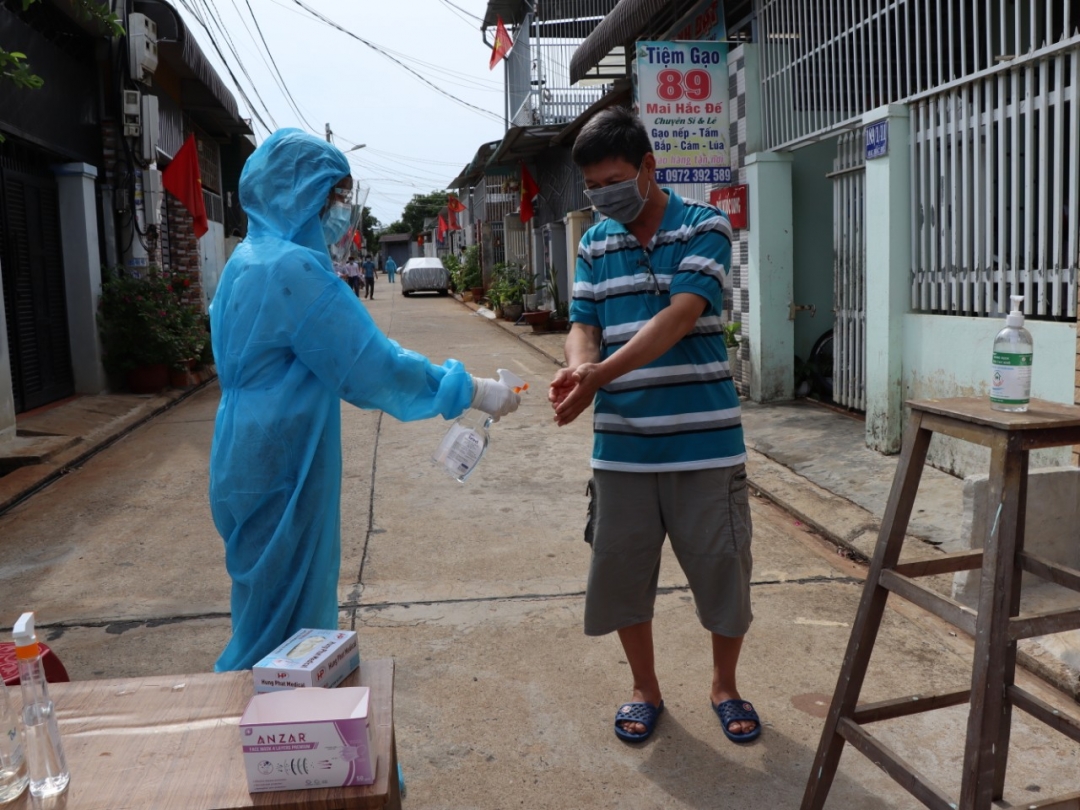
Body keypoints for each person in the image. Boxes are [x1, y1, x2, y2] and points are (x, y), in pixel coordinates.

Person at [208, 128, 521, 671]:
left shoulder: (243, 261)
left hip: (238, 442)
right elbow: (370, 366)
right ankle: (279, 734)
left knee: (259, 596)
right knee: (289, 620)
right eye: (336, 195)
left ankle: (268, 727)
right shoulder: (294, 269)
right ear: (302, 193)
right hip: (286, 452)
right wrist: (469, 389)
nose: (341, 210)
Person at [548, 107, 758, 745]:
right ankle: (645, 689)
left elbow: (680, 316)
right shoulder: (594, 242)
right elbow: (583, 324)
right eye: (592, 186)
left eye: (613, 180)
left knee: (723, 572)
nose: (602, 195)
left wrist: (599, 377)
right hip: (623, 452)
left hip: (705, 446)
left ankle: (725, 685)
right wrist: (579, 369)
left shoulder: (705, 224)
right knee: (621, 573)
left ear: (647, 167)